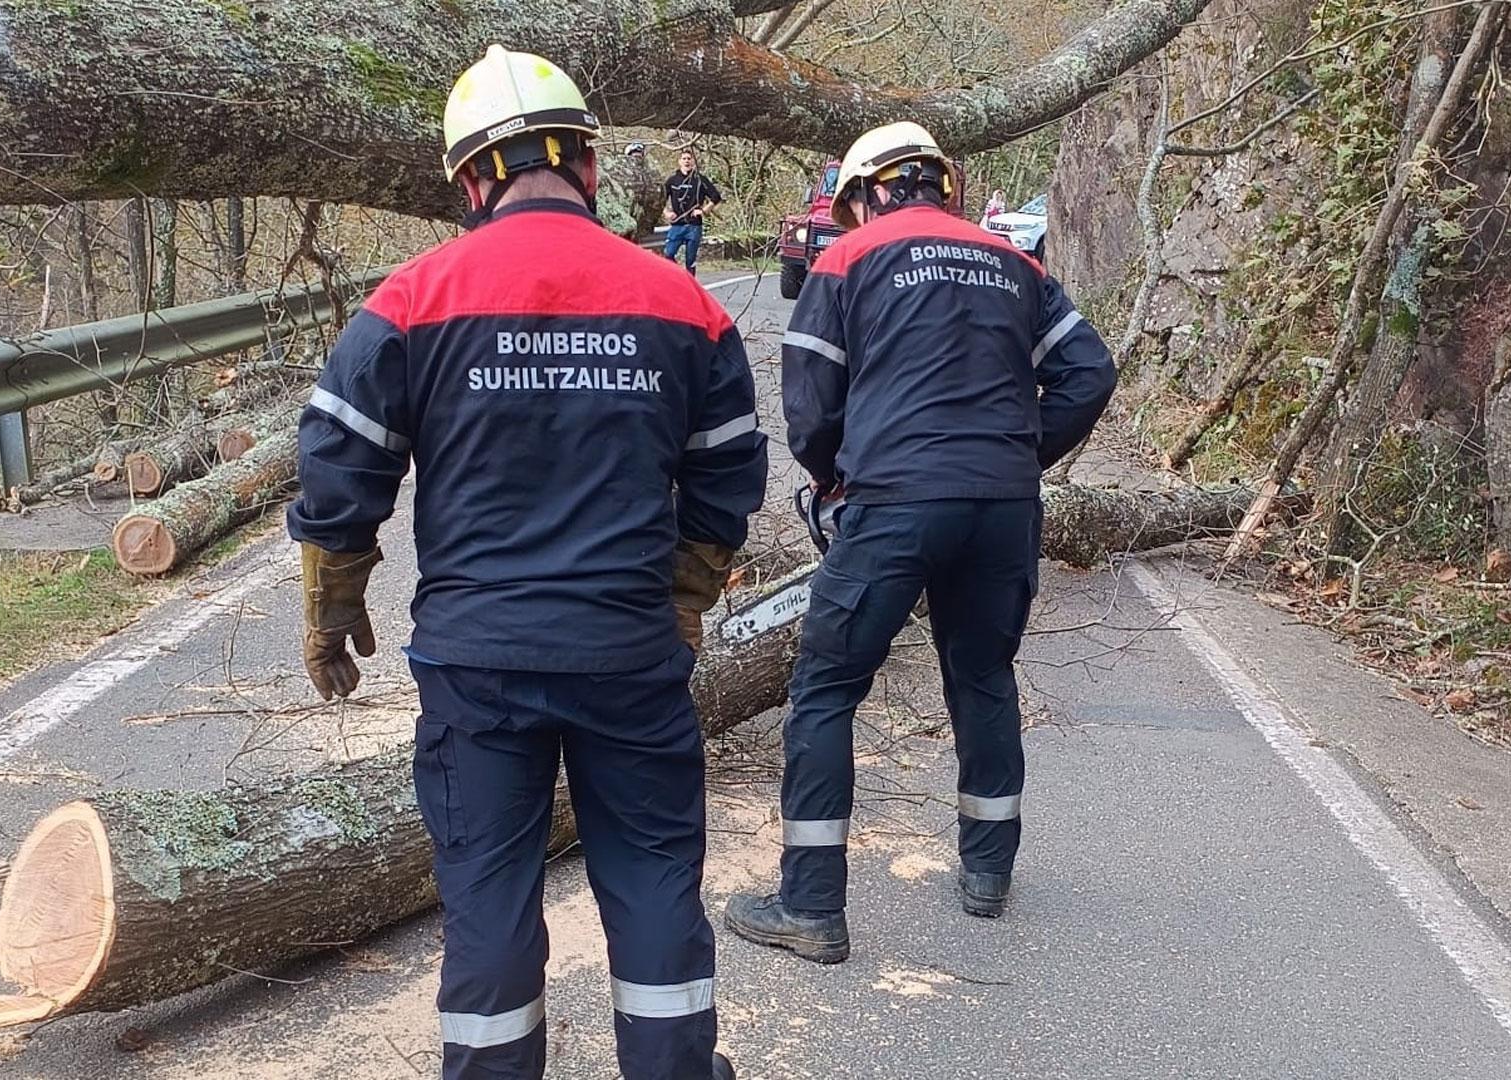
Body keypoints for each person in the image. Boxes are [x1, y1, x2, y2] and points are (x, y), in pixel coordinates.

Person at [288, 45, 765, 1079]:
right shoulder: (680, 302)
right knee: (650, 883)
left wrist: (332, 598)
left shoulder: (413, 300)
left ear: (470, 181)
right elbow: (729, 470)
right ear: (589, 165)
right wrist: (686, 594)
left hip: (478, 666)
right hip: (627, 654)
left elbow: (338, 458)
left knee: (488, 896)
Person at [723, 121, 1117, 963]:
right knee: (981, 674)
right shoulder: (1016, 263)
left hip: (897, 498)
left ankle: (812, 904)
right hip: (1003, 507)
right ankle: (987, 875)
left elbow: (811, 399)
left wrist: (835, 478)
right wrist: (1019, 453)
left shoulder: (846, 260)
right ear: (943, 185)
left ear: (865, 194)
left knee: (827, 687)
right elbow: (1090, 372)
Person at [662, 149, 723, 276]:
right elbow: (659, 199)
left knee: (690, 261)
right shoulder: (672, 180)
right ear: (679, 161)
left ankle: (691, 286)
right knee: (668, 254)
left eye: (689, 159)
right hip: (677, 224)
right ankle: (680, 276)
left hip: (694, 226)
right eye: (684, 158)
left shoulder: (699, 179)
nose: (686, 161)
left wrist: (704, 210)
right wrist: (666, 213)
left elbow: (716, 196)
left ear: (693, 161)